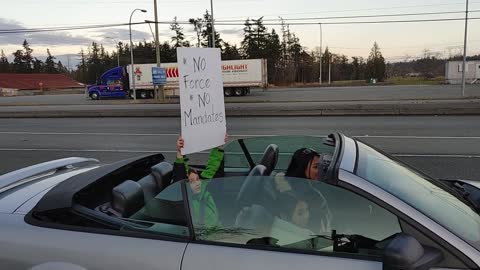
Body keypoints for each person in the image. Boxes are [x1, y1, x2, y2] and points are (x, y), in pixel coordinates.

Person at [275, 147, 332, 234]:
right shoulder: (311, 198)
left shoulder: (282, 183)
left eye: (319, 166)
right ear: (301, 168)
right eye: (315, 167)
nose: (319, 170)